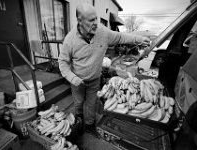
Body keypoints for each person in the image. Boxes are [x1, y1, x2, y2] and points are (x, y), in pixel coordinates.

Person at [58, 3, 150, 134]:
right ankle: (78, 122)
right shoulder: (70, 40)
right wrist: (73, 78)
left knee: (91, 104)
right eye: (91, 20)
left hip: (94, 79)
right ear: (79, 20)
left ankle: (90, 126)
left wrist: (139, 38)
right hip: (77, 81)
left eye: (96, 18)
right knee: (78, 104)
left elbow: (120, 37)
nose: (96, 23)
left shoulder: (102, 32)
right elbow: (62, 63)